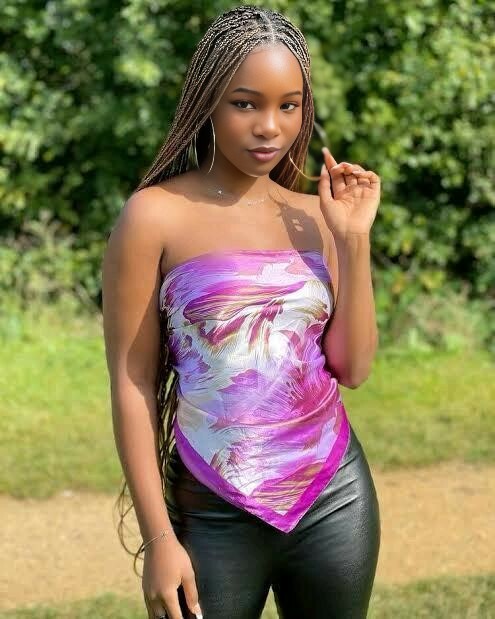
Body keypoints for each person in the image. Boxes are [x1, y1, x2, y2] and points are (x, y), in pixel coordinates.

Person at [102, 5, 381, 619]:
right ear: (208, 101)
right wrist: (159, 540)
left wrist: (353, 240)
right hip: (211, 511)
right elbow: (132, 382)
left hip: (334, 498)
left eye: (289, 105)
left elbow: (354, 368)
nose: (269, 127)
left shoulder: (314, 217)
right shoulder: (153, 216)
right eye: (245, 104)